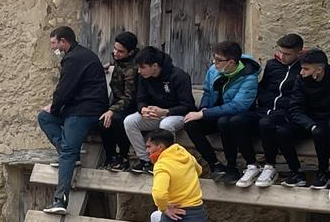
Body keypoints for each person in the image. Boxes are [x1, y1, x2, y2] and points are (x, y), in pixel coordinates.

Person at [37, 25, 108, 215]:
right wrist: (53, 109)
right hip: (79, 108)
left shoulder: (73, 58)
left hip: (84, 111)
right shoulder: (81, 55)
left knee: (67, 151)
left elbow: (64, 88)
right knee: (44, 118)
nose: (53, 48)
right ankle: (68, 153)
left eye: (54, 43)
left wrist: (54, 106)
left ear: (63, 41)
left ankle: (60, 200)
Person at [231, 34, 306, 188]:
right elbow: (264, 86)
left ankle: (270, 166)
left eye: (287, 54)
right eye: (281, 52)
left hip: (286, 112)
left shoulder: (303, 68)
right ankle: (252, 165)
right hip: (264, 109)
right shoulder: (272, 64)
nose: (282, 56)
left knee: (266, 123)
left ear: (299, 53)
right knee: (236, 121)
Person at [181, 41, 260, 183]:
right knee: (190, 124)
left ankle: (232, 166)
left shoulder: (249, 76)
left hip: (237, 118)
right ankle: (214, 164)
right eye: (214, 58)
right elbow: (206, 91)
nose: (214, 62)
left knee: (224, 121)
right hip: (214, 113)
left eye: (218, 60)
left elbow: (239, 106)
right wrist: (204, 107)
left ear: (230, 62)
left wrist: (204, 114)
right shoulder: (213, 70)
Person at [124, 46, 195, 175]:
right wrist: (143, 109)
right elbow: (140, 99)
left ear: (155, 66)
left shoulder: (179, 76)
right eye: (138, 68)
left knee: (166, 124)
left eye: (142, 67)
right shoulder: (144, 77)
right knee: (129, 121)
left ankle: (165, 162)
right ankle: (145, 160)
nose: (139, 71)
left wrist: (166, 111)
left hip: (177, 115)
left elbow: (188, 106)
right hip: (155, 114)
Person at [274, 49, 330, 189]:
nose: (301, 72)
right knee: (282, 132)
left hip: (327, 120)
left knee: (321, 133)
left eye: (306, 69)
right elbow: (295, 107)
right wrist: (310, 125)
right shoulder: (301, 80)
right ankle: (296, 173)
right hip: (308, 119)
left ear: (319, 69)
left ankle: (323, 173)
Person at [99, 31, 140, 171]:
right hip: (116, 103)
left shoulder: (133, 69)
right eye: (115, 49)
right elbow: (118, 64)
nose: (116, 53)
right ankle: (110, 157)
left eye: (120, 51)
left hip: (130, 106)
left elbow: (129, 97)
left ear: (130, 52)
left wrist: (112, 110)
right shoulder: (119, 61)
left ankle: (123, 156)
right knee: (102, 121)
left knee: (116, 120)